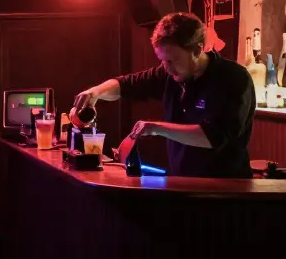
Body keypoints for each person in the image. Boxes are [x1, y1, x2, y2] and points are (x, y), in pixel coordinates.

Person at [72, 12, 255, 178]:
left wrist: (156, 128)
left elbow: (214, 137)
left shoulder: (233, 78)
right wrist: (95, 92)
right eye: (162, 60)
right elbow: (125, 85)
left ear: (198, 50)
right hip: (181, 184)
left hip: (227, 190)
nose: (166, 68)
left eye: (172, 60)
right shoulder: (169, 74)